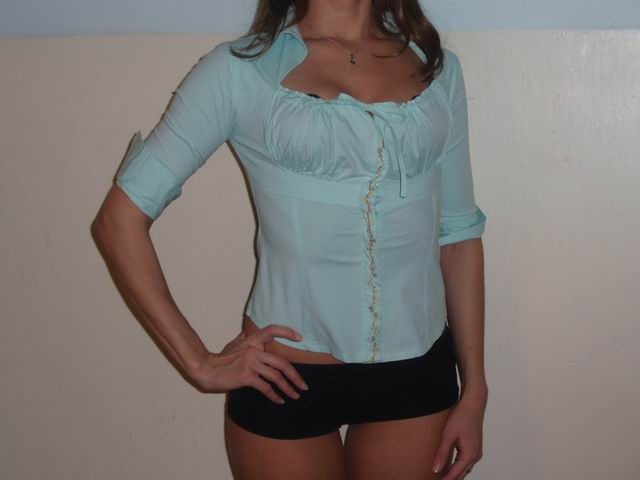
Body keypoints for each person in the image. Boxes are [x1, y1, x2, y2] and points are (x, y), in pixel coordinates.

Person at [92, 1, 488, 478]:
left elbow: (458, 237)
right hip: (285, 377)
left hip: (417, 371)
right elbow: (119, 221)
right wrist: (198, 362)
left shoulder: (437, 68)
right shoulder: (239, 70)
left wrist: (476, 388)